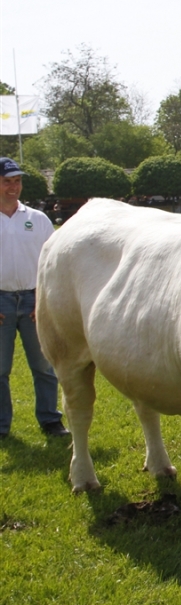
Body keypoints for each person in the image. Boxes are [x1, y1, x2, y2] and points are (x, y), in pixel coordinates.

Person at [0, 157, 69, 439]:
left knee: (43, 366)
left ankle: (50, 420)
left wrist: (42, 299)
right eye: (6, 182)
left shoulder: (37, 219)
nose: (13, 187)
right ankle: (2, 425)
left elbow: (50, 262)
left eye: (17, 181)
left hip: (33, 299)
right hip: (1, 302)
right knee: (0, 369)